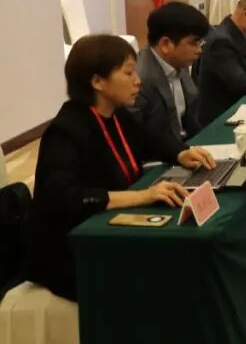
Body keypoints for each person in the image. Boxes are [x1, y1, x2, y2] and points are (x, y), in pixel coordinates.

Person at [28, 35, 215, 300]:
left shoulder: (115, 114)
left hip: (115, 230)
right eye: (128, 73)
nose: (138, 80)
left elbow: (150, 139)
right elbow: (64, 197)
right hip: (75, 252)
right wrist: (141, 196)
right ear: (97, 81)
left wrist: (181, 152)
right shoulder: (65, 131)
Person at [130, 2, 209, 143]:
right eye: (194, 43)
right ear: (165, 44)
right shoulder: (140, 80)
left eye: (200, 43)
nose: (199, 50)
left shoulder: (179, 62)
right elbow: (140, 139)